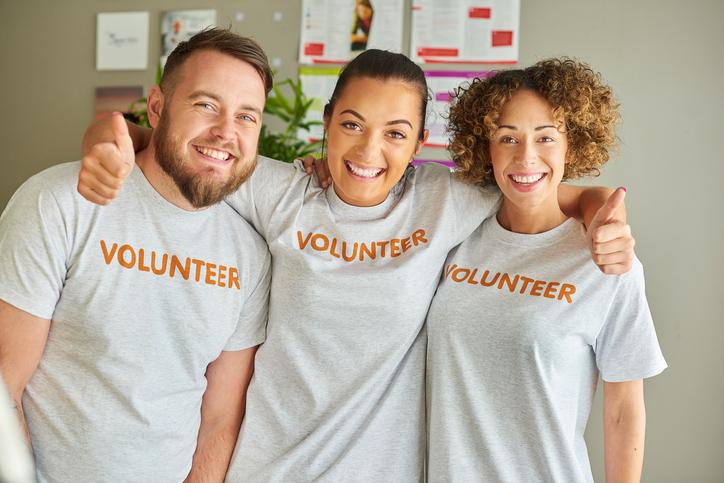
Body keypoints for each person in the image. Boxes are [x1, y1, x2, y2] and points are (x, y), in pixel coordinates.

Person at [77, 49, 635, 482]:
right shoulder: (283, 192)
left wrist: (598, 209)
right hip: (269, 470)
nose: (370, 150)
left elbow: (541, 185)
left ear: (420, 143)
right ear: (325, 123)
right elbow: (175, 148)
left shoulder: (445, 198)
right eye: (352, 124)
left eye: (396, 133)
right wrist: (105, 132)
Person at [0, 28, 273, 482]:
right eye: (206, 104)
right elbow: (3, 382)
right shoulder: (58, 202)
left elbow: (220, 419)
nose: (226, 131)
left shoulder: (250, 254)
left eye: (247, 116)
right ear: (157, 107)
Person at [425, 58, 666, 482]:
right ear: (486, 147)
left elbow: (623, 410)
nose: (527, 157)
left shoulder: (608, 258)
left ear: (573, 143)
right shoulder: (454, 236)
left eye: (546, 137)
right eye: (508, 137)